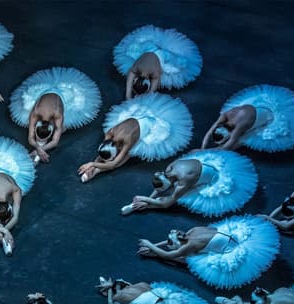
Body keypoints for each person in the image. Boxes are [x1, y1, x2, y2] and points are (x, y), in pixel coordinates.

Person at [137, 214, 280, 289]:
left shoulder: (189, 245)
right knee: (190, 253)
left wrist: (150, 245)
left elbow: (169, 254)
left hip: (230, 250)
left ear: (181, 243)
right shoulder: (192, 231)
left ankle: (155, 255)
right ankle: (155, 252)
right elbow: (173, 243)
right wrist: (155, 245)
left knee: (189, 260)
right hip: (231, 236)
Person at [78, 93, 192, 182]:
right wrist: (92, 164)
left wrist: (93, 165)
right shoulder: (109, 133)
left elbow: (113, 164)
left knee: (123, 158)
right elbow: (103, 153)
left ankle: (97, 172)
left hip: (150, 128)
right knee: (106, 156)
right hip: (134, 121)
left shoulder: (128, 141)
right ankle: (91, 171)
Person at [121, 150, 257, 217]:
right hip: (199, 166)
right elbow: (160, 189)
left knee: (180, 197)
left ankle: (144, 206)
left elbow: (166, 204)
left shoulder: (184, 180)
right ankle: (141, 205)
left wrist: (144, 199)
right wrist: (149, 198)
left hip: (213, 179)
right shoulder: (169, 169)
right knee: (169, 193)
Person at [8, 67, 101, 163]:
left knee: (63, 128)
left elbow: (55, 142)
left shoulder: (58, 114)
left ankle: (40, 147)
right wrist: (39, 148)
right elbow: (30, 138)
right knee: (45, 126)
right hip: (44, 94)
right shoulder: (35, 112)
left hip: (63, 96)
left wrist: (38, 150)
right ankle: (40, 145)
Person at [201, 85, 294, 152]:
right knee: (229, 142)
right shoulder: (226, 114)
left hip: (266, 115)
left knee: (240, 142)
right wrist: (202, 147)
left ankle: (216, 149)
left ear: (230, 133)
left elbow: (228, 147)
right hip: (253, 107)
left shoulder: (240, 126)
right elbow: (210, 132)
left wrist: (203, 151)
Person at [112, 25, 202, 98]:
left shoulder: (150, 72)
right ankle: (156, 47)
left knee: (174, 61)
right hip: (149, 50)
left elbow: (150, 89)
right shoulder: (139, 69)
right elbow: (149, 87)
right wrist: (129, 95)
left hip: (158, 55)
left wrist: (128, 95)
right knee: (142, 48)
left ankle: (158, 48)